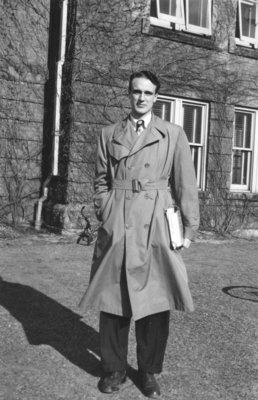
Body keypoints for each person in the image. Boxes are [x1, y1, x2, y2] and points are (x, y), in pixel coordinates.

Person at [79, 70, 199, 398]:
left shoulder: (172, 134)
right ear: (129, 94)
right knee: (114, 298)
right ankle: (114, 369)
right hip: (119, 222)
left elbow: (185, 184)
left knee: (155, 300)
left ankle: (148, 372)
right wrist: (107, 213)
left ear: (156, 97)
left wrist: (188, 228)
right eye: (136, 91)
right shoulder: (108, 134)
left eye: (148, 93)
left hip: (157, 224)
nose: (141, 98)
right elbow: (101, 181)